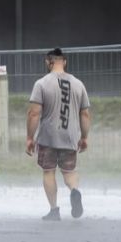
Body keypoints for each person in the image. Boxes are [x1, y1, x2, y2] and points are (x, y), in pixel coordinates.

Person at [25, 47, 91, 221]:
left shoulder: (41, 83)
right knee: (69, 172)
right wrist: (84, 137)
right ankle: (75, 191)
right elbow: (85, 114)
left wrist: (30, 138)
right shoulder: (78, 84)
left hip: (48, 138)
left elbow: (33, 113)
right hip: (70, 137)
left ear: (48, 62)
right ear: (65, 62)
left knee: (48, 172)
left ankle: (54, 210)